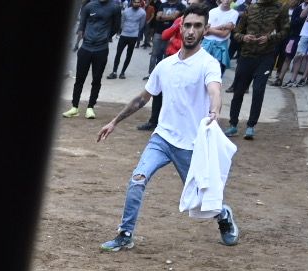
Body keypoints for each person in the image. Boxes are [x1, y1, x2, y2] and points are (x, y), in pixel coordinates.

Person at [97, 6, 239, 252]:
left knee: (203, 199)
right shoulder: (165, 65)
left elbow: (215, 90)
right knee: (137, 179)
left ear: (206, 30)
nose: (191, 31)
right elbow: (142, 98)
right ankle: (125, 234)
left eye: (197, 26)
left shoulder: (209, 64)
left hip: (192, 145)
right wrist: (114, 121)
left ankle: (224, 216)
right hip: (162, 139)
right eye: (188, 25)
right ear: (180, 27)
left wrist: (215, 112)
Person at [225, 0, 286, 139]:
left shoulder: (280, 9)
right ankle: (233, 125)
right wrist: (244, 37)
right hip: (246, 56)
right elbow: (237, 33)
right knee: (238, 91)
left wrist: (270, 38)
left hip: (266, 57)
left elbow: (285, 31)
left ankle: (251, 126)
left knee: (258, 90)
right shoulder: (250, 8)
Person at [68, 0, 122, 118]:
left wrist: (106, 37)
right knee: (79, 79)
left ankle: (90, 108)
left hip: (101, 49)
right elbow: (81, 25)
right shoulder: (89, 6)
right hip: (85, 48)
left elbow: (116, 26)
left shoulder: (115, 8)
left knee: (96, 80)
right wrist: (86, 37)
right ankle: (74, 107)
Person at [110, 0, 147, 76]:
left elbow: (141, 25)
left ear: (140, 3)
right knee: (118, 54)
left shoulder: (143, 13)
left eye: (138, 2)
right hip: (124, 35)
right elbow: (122, 22)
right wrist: (124, 29)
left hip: (133, 36)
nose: (136, 4)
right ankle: (114, 72)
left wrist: (135, 31)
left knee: (129, 55)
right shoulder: (126, 11)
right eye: (134, 2)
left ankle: (122, 72)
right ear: (132, 3)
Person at [146, 0, 184, 71]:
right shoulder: (162, 5)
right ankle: (150, 73)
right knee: (154, 53)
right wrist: (169, 17)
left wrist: (162, 17)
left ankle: (163, 72)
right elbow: (157, 17)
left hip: (171, 34)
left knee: (166, 55)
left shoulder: (180, 6)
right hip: (159, 32)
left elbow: (174, 17)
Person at [204, 0, 237, 70]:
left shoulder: (234, 13)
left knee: (215, 71)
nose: (227, 0)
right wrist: (223, 26)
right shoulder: (212, 11)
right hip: (206, 44)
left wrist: (209, 30)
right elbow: (205, 31)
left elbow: (224, 34)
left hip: (220, 46)